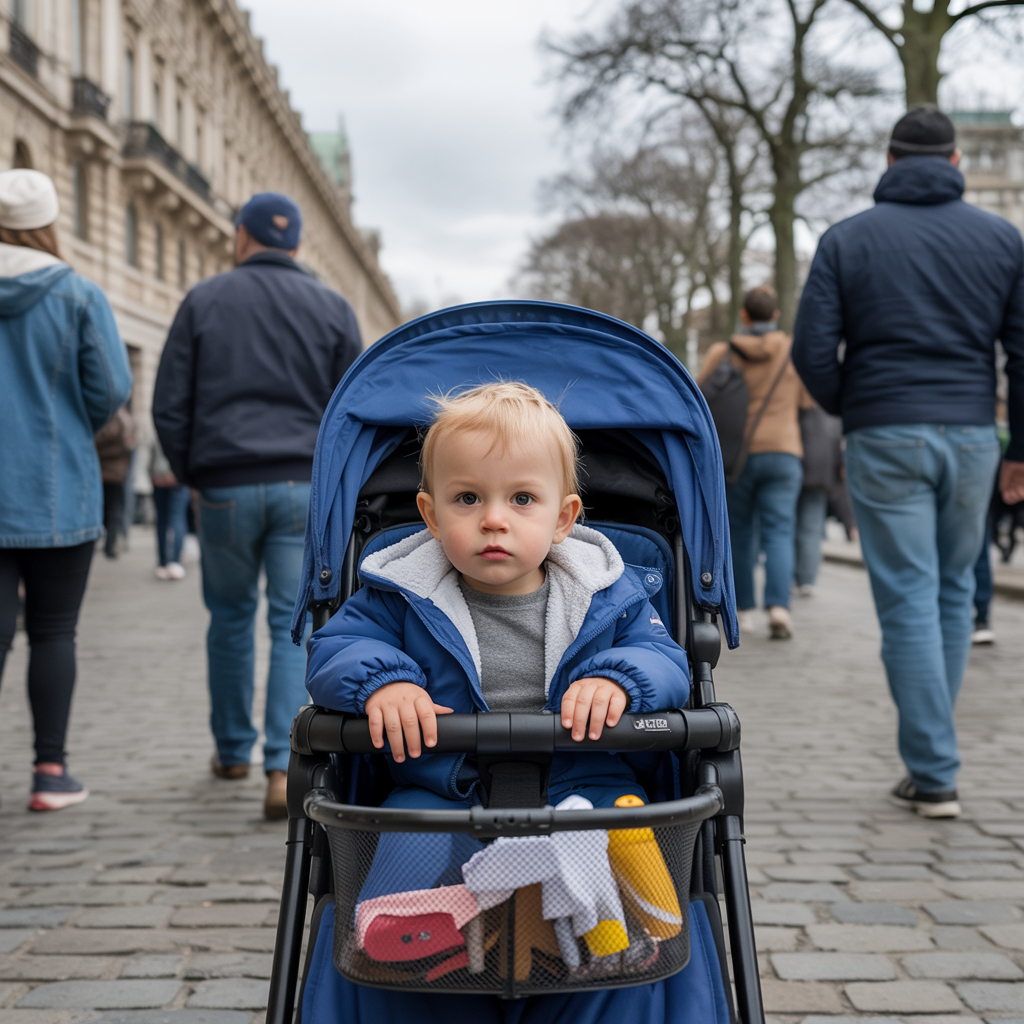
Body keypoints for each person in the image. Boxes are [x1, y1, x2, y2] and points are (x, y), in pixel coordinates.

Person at [304, 382, 690, 1021]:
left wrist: (620, 679)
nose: (493, 518)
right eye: (467, 499)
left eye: (521, 499)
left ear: (563, 519)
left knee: (623, 815)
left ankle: (631, 932)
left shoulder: (608, 593)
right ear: (430, 516)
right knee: (401, 831)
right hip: (442, 788)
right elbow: (337, 647)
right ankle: (409, 949)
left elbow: (665, 657)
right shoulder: (398, 593)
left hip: (580, 779)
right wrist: (388, 683)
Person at [793, 105, 1024, 819]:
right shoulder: (1003, 240)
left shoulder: (845, 240)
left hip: (885, 431)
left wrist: (853, 403)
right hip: (974, 433)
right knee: (954, 590)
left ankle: (934, 770)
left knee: (908, 600)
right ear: (956, 164)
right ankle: (932, 755)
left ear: (889, 163)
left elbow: (811, 350)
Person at [153, 191, 363, 819]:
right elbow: (351, 408)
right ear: (296, 245)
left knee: (229, 617)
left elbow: (170, 403)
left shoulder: (204, 300)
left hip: (225, 481)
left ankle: (232, 750)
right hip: (302, 484)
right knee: (286, 623)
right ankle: (281, 766)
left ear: (241, 236)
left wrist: (195, 472)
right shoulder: (331, 305)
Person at [0, 169, 132, 811]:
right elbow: (109, 390)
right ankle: (50, 772)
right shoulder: (77, 294)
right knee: (54, 632)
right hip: (56, 489)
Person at [697, 286, 810, 639]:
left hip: (736, 456)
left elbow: (698, 395)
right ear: (775, 315)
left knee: (741, 533)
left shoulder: (723, 352)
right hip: (784, 451)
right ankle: (779, 608)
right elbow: (809, 401)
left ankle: (743, 611)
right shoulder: (794, 351)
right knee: (779, 531)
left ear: (745, 316)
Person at [794, 405, 844, 597]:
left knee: (787, 526)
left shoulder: (798, 403)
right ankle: (807, 579)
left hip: (796, 466)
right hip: (822, 474)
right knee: (812, 528)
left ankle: (790, 576)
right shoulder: (829, 407)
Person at [94, 405, 137, 559]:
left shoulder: (113, 421)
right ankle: (109, 544)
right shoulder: (121, 420)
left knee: (111, 510)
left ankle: (109, 543)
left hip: (109, 473)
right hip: (113, 473)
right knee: (112, 510)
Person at [149, 436, 190, 580]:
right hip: (178, 476)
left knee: (162, 520)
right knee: (177, 517)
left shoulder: (159, 426)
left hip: (158, 476)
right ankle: (175, 561)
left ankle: (162, 562)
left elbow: (150, 451)